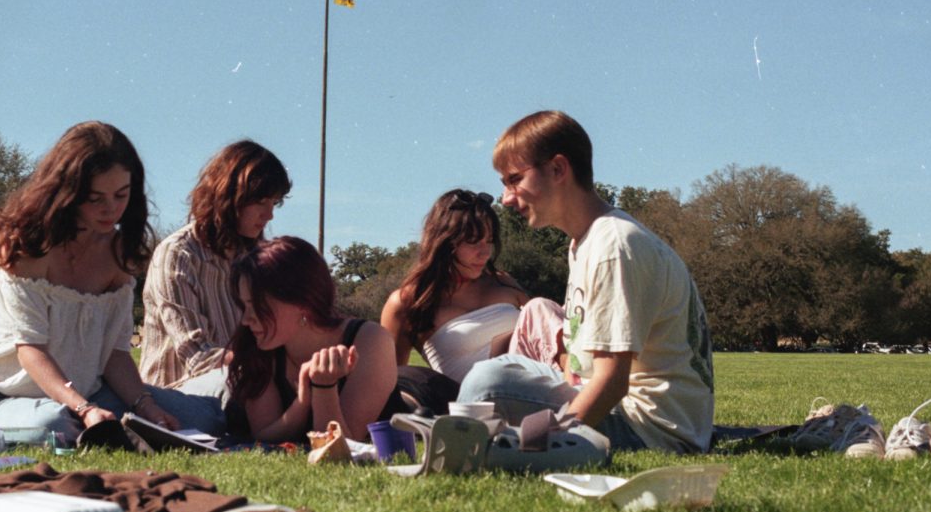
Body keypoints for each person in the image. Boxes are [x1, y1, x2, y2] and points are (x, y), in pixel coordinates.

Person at [0, 121, 225, 445]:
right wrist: (84, 409)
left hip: (89, 393)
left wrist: (146, 407)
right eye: (96, 198)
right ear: (67, 193)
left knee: (206, 418)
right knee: (54, 424)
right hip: (3, 394)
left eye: (121, 195)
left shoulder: (118, 252)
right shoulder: (20, 246)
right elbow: (30, 350)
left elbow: (115, 354)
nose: (111, 209)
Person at [458, 110, 715, 453]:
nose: (506, 198)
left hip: (650, 430)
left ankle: (470, 446)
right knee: (499, 369)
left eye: (514, 179)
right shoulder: (585, 242)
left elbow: (611, 382)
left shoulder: (614, 245)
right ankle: (473, 439)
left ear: (558, 169)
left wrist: (541, 442)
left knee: (488, 382)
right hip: (620, 411)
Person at [139, 140, 290, 394]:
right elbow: (197, 357)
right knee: (244, 384)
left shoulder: (255, 258)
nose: (269, 215)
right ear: (229, 197)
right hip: (177, 395)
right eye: (261, 201)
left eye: (274, 202)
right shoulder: (179, 254)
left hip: (239, 382)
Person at [380, 191, 556, 401]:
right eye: (473, 242)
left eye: (489, 241)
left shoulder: (502, 281)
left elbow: (541, 333)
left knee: (541, 307)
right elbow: (390, 383)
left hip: (538, 388)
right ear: (444, 242)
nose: (485, 253)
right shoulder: (407, 302)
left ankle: (580, 386)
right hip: (475, 405)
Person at [227, 236, 402, 443]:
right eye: (244, 306)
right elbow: (263, 435)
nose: (246, 319)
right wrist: (302, 403)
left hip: (420, 391)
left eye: (257, 305)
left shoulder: (370, 340)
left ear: (302, 301)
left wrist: (324, 387)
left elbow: (341, 444)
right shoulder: (257, 348)